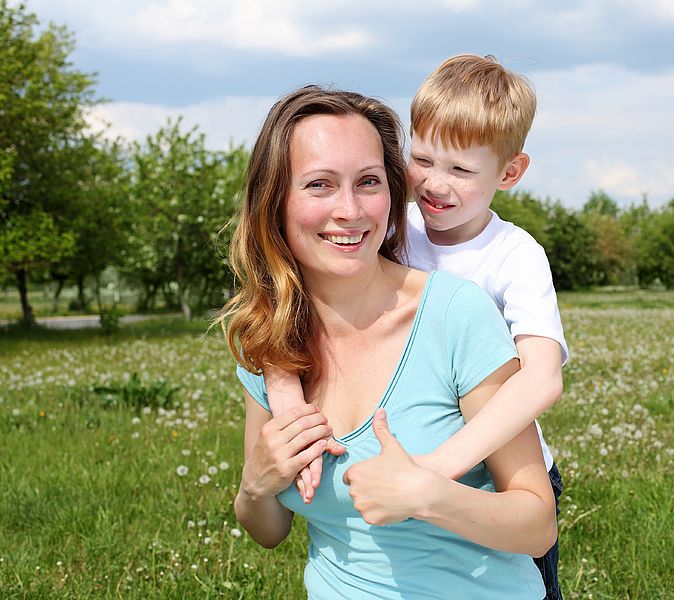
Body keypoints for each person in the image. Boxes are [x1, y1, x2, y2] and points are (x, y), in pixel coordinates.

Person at [219, 86, 556, 599]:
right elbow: (269, 532)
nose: (350, 210)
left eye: (368, 182)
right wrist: (255, 484)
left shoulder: (457, 311)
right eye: (319, 185)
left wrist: (430, 493)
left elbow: (537, 526)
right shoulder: (269, 345)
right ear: (275, 201)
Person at [405, 54, 569, 600]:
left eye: (461, 170)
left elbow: (543, 378)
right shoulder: (393, 229)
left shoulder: (514, 255)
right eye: (421, 158)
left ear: (510, 172)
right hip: (412, 460)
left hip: (503, 471)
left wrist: (439, 467)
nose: (434, 183)